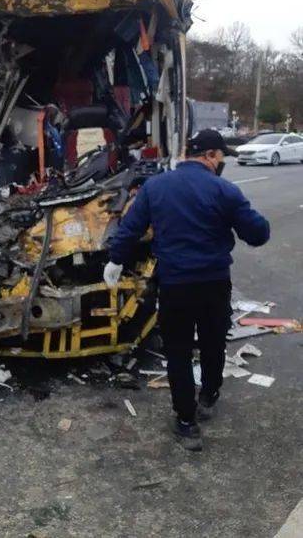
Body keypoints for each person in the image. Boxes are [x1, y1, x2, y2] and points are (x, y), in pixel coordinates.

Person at [103, 129, 270, 451]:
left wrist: (115, 262)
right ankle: (209, 394)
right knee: (212, 342)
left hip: (175, 284)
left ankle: (186, 421)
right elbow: (258, 234)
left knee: (177, 351)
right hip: (214, 283)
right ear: (210, 155)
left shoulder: (155, 187)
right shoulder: (224, 190)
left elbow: (130, 229)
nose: (221, 162)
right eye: (221, 156)